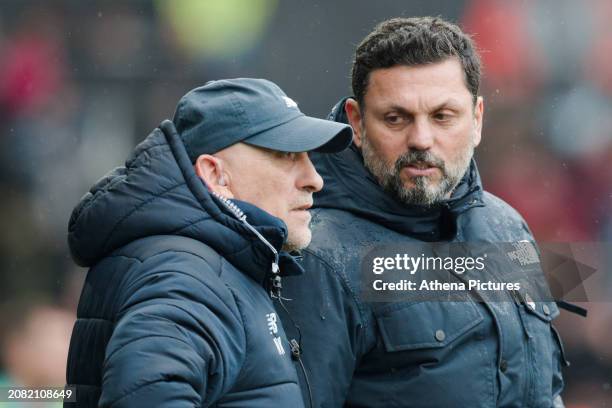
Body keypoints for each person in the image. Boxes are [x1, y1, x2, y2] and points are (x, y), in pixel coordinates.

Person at [278, 17, 569, 407]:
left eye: (442, 116)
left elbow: (545, 389)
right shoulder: (317, 258)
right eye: (395, 118)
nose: (421, 139)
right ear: (357, 123)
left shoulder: (507, 226)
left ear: (477, 119)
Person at [64, 78, 352, 407]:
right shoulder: (187, 277)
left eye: (307, 156)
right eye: (286, 155)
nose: (314, 179)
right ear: (215, 175)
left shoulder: (208, 266)